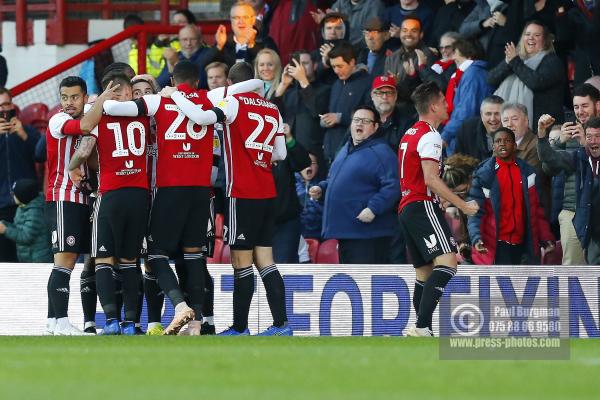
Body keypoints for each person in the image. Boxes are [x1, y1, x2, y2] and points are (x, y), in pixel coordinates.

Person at [163, 62, 291, 336]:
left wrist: (174, 95)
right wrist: (257, 154)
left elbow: (201, 118)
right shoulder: (272, 108)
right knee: (266, 261)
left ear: (231, 83)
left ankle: (240, 328)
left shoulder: (232, 103)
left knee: (241, 263)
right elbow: (280, 153)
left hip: (242, 192)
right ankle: (282, 325)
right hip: (268, 191)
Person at [67, 74, 151, 336]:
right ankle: (129, 323)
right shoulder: (145, 117)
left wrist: (71, 168)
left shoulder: (100, 119)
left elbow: (83, 151)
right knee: (129, 260)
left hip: (111, 194)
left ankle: (111, 321)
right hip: (139, 194)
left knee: (103, 258)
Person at [397, 82, 479, 337]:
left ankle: (424, 329)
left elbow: (417, 177)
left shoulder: (410, 133)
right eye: (443, 102)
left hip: (408, 207)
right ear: (433, 106)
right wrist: (462, 204)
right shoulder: (430, 135)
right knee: (448, 263)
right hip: (421, 206)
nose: (447, 105)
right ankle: (422, 327)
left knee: (425, 272)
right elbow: (430, 178)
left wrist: (438, 196)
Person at [44, 76, 114, 335]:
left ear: (85, 98)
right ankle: (61, 320)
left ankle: (52, 321)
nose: (69, 102)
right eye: (64, 97)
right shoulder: (58, 120)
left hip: (83, 198)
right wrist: (103, 100)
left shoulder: (91, 123)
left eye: (74, 97)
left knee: (74, 261)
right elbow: (85, 123)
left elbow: (92, 158)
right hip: (63, 196)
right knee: (64, 260)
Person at [310, 105, 400, 263]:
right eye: (357, 120)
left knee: (365, 283)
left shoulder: (381, 151)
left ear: (375, 126)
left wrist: (374, 208)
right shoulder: (346, 148)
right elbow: (336, 181)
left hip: (367, 235)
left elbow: (394, 185)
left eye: (365, 121)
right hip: (347, 232)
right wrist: (322, 189)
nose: (359, 124)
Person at [467, 127, 555, 265]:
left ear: (515, 146)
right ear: (493, 146)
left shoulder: (528, 173)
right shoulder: (483, 175)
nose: (502, 144)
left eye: (507, 140)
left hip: (523, 245)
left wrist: (546, 237)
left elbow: (537, 210)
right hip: (495, 245)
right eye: (498, 141)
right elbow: (475, 211)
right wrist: (476, 238)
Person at [547, 84, 600, 265]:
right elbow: (548, 169)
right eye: (576, 107)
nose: (580, 111)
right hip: (573, 210)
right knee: (573, 270)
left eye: (585, 106)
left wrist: (587, 143)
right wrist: (559, 143)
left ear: (598, 105)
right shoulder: (568, 135)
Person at [488, 20, 566, 130]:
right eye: (527, 34)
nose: (531, 38)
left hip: (543, 129)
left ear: (545, 40)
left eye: (537, 35)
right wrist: (508, 62)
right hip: (512, 125)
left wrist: (515, 61)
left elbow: (536, 82)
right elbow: (491, 79)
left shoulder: (552, 61)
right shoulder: (517, 58)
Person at [0, 88, 40, 262]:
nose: (3, 110)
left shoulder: (29, 130)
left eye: (6, 104)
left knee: (28, 256)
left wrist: (24, 136)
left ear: (13, 105)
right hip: (1, 205)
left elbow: (43, 155)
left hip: (26, 205)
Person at [274, 49, 330, 160]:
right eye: (298, 64)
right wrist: (283, 84)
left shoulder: (325, 89)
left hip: (312, 155)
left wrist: (303, 80)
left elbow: (316, 111)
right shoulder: (289, 91)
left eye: (305, 63)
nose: (300, 68)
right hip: (287, 154)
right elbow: (272, 113)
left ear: (315, 66)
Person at [321, 42, 372, 164]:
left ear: (352, 62)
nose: (336, 71)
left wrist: (340, 118)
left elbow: (370, 116)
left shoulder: (367, 82)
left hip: (354, 153)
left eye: (340, 66)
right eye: (333, 67)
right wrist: (326, 120)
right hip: (330, 153)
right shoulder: (336, 84)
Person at [440, 37, 493, 156]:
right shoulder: (477, 73)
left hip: (467, 139)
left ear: (469, 56)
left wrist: (446, 134)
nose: (453, 58)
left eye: (456, 54)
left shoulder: (472, 75)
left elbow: (465, 110)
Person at [0, 179, 52, 262]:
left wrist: (5, 230)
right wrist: (5, 224)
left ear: (23, 196)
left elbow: (26, 237)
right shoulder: (23, 206)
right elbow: (19, 228)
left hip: (38, 260)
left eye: (14, 194)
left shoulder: (35, 212)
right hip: (27, 256)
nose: (12, 195)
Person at [383, 17, 436, 98]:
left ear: (421, 34)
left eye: (414, 31)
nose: (408, 34)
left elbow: (428, 90)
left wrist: (398, 84)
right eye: (404, 30)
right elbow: (386, 89)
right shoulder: (391, 58)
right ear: (400, 33)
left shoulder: (428, 55)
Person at [214, 1, 279, 67]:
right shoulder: (223, 42)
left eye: (245, 17)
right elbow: (207, 69)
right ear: (231, 20)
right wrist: (218, 47)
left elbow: (269, 67)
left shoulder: (266, 42)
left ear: (253, 20)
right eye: (236, 17)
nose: (241, 21)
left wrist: (251, 45)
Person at [157, 24, 219, 89]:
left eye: (192, 39)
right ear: (179, 41)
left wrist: (177, 64)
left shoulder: (210, 54)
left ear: (200, 40)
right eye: (184, 39)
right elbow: (160, 85)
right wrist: (170, 68)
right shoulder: (175, 56)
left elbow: (200, 83)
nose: (188, 43)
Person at [455, 95, 503, 161]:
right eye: (488, 114)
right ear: (481, 115)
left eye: (497, 114)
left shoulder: (512, 132)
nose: (493, 119)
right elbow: (457, 160)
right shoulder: (466, 130)